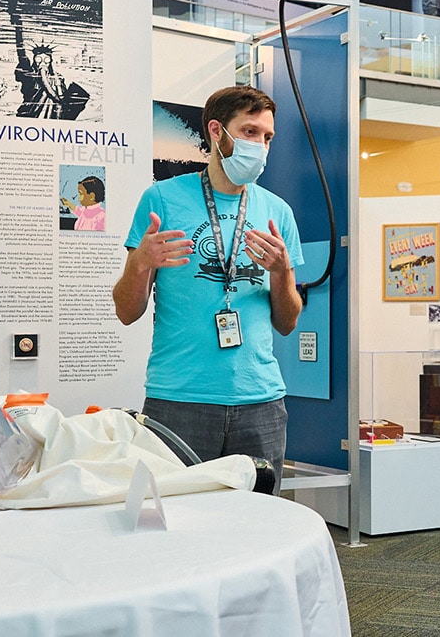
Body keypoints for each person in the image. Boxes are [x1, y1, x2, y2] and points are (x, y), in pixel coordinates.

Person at [113, 85, 303, 491]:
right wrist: (140, 262)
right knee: (179, 527)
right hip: (179, 399)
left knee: (258, 525)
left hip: (260, 401)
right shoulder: (161, 199)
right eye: (250, 132)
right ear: (217, 131)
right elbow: (127, 311)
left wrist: (282, 272)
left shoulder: (277, 212)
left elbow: (287, 322)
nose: (261, 146)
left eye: (267, 137)